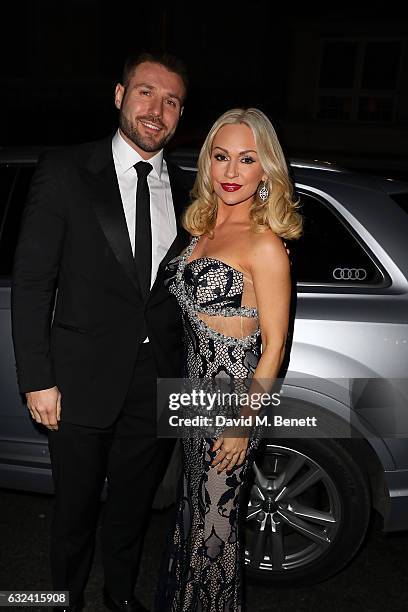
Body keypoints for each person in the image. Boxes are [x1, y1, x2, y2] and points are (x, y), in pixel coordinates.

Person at [11, 51, 194, 612]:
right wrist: (37, 379)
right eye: (146, 93)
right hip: (79, 380)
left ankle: (120, 598)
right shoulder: (66, 171)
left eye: (171, 101)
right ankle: (60, 600)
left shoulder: (191, 192)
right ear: (119, 95)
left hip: (157, 382)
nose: (156, 110)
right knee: (74, 511)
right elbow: (32, 282)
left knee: (132, 511)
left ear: (180, 115)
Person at [156, 108, 303, 611]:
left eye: (247, 159)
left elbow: (275, 345)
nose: (232, 172)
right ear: (208, 162)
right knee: (192, 522)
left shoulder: (265, 243)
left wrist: (243, 427)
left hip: (232, 409)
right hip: (196, 402)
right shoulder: (199, 231)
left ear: (266, 169)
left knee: (214, 535)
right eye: (222, 157)